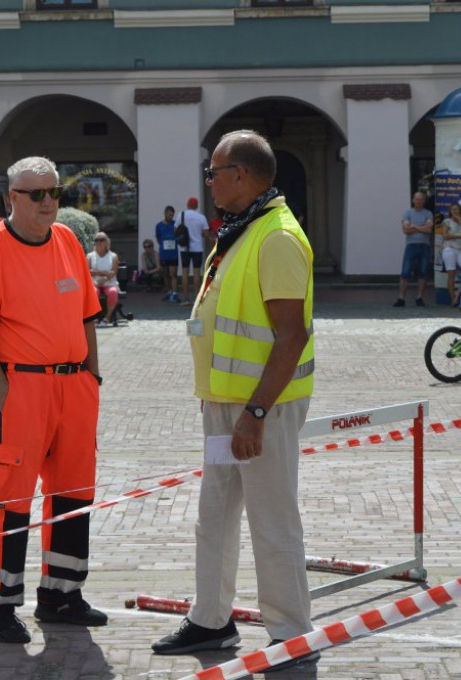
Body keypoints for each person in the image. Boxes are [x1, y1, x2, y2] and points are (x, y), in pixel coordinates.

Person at [152, 130, 319, 673]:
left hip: (259, 410)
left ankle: (290, 632)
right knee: (215, 516)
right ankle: (211, 620)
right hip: (228, 406)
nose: (209, 180)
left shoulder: (276, 238)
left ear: (242, 176)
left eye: (215, 171)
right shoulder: (242, 231)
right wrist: (221, 400)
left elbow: (291, 336)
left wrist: (255, 412)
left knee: (272, 519)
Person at [0, 156, 107, 644]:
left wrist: (92, 375)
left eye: (54, 192)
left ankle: (62, 594)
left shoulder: (66, 240)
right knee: (8, 498)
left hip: (73, 386)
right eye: (36, 194)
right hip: (20, 386)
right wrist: (5, 392)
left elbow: (87, 313)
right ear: (11, 198)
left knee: (74, 493)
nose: (47, 202)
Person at [392, 191, 434, 307]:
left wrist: (414, 226)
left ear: (424, 201)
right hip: (411, 246)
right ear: (413, 200)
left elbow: (429, 230)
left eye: (421, 199)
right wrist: (422, 227)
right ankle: (401, 298)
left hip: (425, 246)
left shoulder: (428, 213)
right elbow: (406, 230)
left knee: (423, 273)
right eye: (417, 199)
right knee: (405, 272)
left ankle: (419, 297)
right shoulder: (407, 213)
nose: (419, 201)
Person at [177, 197, 209, 306]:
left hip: (184, 248)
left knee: (185, 273)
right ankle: (197, 298)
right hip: (197, 248)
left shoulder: (181, 215)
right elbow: (206, 234)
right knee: (196, 273)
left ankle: (186, 299)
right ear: (196, 206)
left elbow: (175, 231)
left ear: (187, 204)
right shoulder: (201, 217)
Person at [439, 202, 461, 307]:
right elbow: (445, 235)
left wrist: (460, 221)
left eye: (457, 209)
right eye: (453, 210)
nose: (455, 211)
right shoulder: (446, 221)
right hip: (449, 249)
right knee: (451, 275)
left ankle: (457, 295)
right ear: (450, 211)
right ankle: (453, 299)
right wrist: (459, 236)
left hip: (460, 250)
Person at [88, 231, 121, 327]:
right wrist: (102, 273)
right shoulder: (90, 256)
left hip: (109, 282)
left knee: (113, 292)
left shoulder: (113, 256)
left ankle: (107, 317)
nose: (99, 242)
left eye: (101, 240)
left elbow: (113, 272)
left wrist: (104, 279)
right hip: (94, 283)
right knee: (93, 293)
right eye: (96, 240)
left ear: (106, 242)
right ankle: (94, 317)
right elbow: (87, 271)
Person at [155, 206, 180, 301]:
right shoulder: (159, 226)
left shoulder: (175, 225)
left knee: (174, 274)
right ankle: (168, 291)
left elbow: (179, 236)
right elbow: (158, 238)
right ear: (165, 214)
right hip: (164, 253)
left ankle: (175, 293)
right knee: (166, 274)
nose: (171, 217)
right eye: (169, 215)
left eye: (172, 215)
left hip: (173, 253)